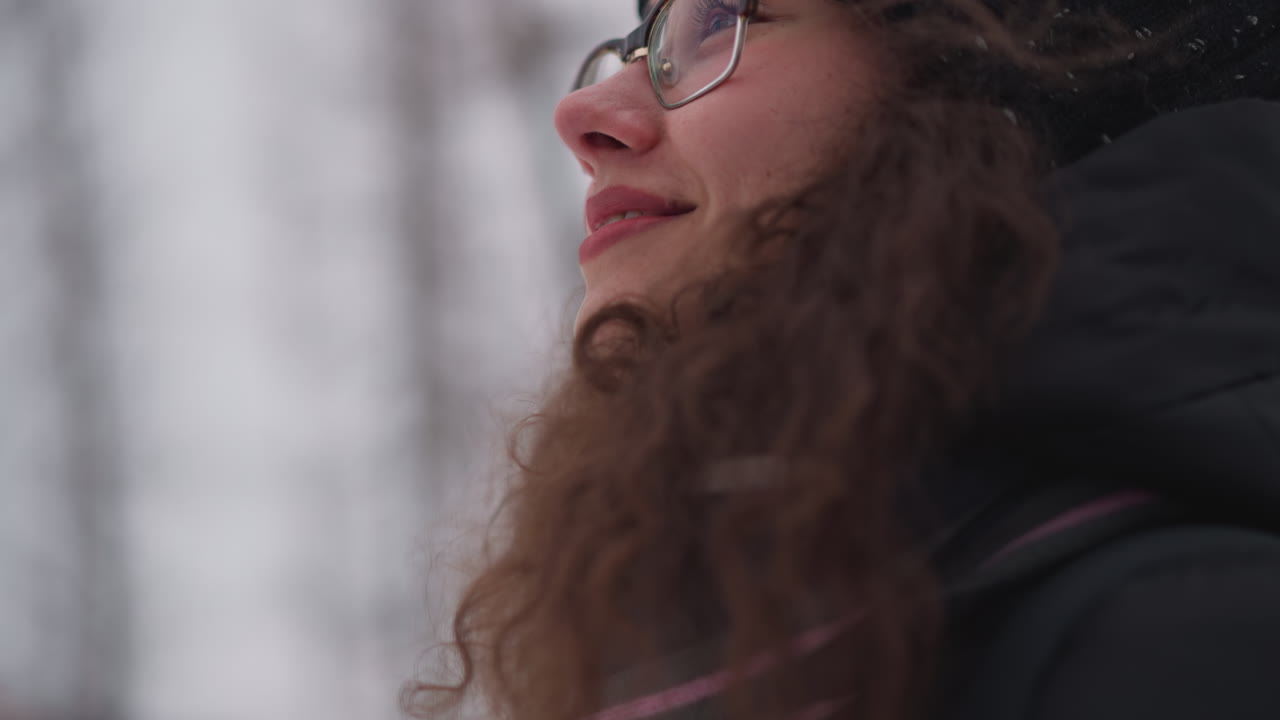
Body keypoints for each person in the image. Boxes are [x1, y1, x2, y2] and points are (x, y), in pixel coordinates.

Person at [408, 1, 1280, 719]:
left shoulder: (1189, 646)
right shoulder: (768, 624)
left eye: (715, 20)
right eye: (635, 46)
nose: (582, 115)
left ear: (980, 72)